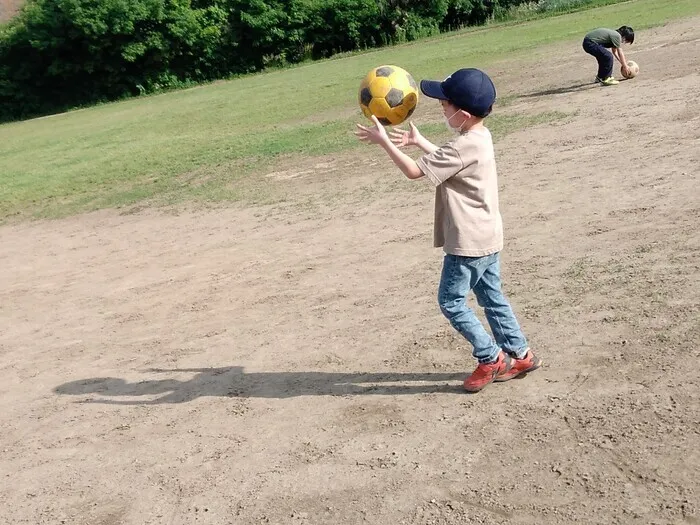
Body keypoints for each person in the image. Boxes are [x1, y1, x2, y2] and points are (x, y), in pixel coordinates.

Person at [355, 68, 541, 393]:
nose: (441, 107)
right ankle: (520, 353)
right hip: (489, 236)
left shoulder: (461, 147)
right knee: (492, 297)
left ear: (463, 114)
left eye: (445, 103)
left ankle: (491, 358)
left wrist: (385, 142)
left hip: (467, 243)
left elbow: (415, 172)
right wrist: (418, 141)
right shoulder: (480, 137)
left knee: (451, 301)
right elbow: (451, 162)